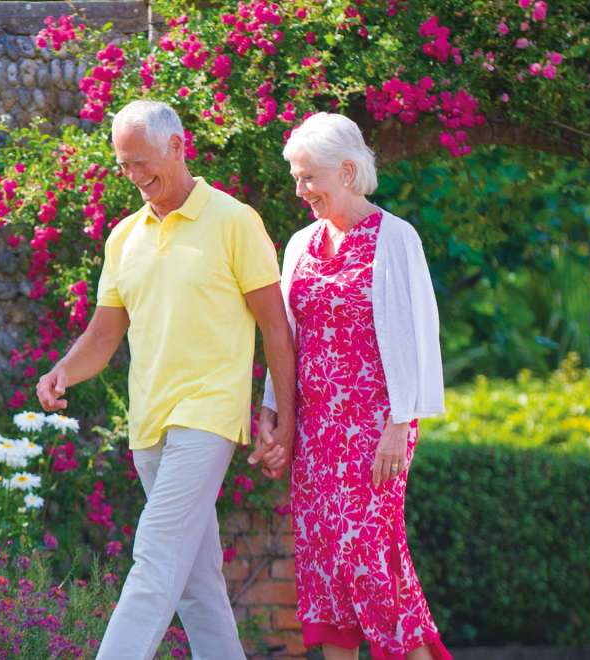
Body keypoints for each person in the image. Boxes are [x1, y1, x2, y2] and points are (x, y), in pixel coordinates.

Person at [35, 99, 297, 660]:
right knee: (198, 582)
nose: (133, 176)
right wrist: (63, 371)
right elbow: (103, 336)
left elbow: (276, 328)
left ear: (178, 146)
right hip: (148, 425)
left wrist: (284, 418)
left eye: (141, 162)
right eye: (124, 165)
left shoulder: (234, 221)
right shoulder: (123, 237)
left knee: (154, 559)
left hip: (207, 418)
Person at [257, 112, 451, 660]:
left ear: (346, 171)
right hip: (317, 433)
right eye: (296, 177)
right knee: (323, 564)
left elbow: (420, 337)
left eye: (308, 176)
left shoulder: (396, 238)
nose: (300, 190)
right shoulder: (298, 245)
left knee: (368, 558)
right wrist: (273, 411)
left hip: (375, 432)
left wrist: (400, 424)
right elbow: (286, 338)